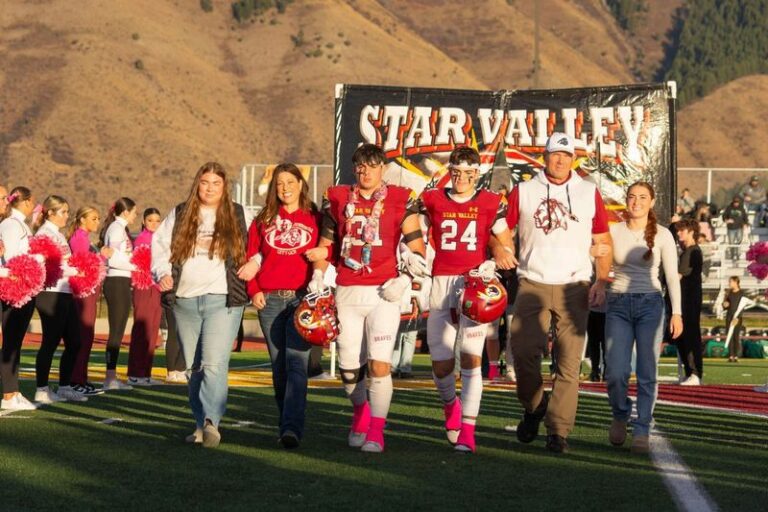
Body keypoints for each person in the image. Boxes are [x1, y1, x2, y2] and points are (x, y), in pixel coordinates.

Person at [311, 143, 427, 453]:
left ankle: (376, 431)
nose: (366, 172)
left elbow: (417, 248)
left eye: (372, 166)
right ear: (354, 168)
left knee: (379, 364)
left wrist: (405, 279)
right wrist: (318, 274)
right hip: (348, 289)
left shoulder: (401, 198)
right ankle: (360, 412)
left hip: (383, 292)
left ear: (383, 169)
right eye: (361, 166)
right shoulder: (337, 197)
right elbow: (326, 244)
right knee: (349, 368)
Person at [506, 132, 612, 454]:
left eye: (566, 155)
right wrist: (501, 250)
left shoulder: (588, 191)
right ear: (545, 155)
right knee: (523, 353)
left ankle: (558, 431)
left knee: (569, 363)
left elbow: (603, 238)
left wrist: (601, 281)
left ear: (573, 159)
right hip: (532, 282)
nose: (561, 160)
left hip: (574, 285)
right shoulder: (524, 190)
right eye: (555, 154)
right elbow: (502, 229)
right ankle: (535, 406)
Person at [418, 146, 516, 453]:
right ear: (450, 172)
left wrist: (496, 257)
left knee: (473, 357)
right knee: (441, 362)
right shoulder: (432, 198)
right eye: (456, 172)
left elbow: (506, 243)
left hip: (474, 282)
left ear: (477, 174)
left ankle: (469, 431)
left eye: (468, 173)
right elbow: (416, 237)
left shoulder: (490, 201)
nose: (461, 178)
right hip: (441, 282)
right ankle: (451, 404)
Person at [153, 162, 257, 448]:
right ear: (197, 184)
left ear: (224, 187)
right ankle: (200, 424)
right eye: (205, 182)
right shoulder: (180, 213)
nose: (210, 188)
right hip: (185, 299)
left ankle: (212, 422)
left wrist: (256, 263)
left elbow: (260, 244)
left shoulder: (239, 213)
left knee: (213, 362)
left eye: (216, 183)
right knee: (194, 366)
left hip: (223, 299)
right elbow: (159, 247)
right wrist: (162, 273)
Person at [246, 163, 322, 449]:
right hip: (269, 300)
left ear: (301, 184)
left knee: (297, 364)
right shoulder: (263, 219)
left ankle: (291, 428)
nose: (285, 188)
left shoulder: (315, 217)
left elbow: (329, 251)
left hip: (302, 298)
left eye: (290, 182)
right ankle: (285, 422)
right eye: (279, 183)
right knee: (279, 368)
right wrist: (254, 290)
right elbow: (250, 256)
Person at [604, 182, 683, 454]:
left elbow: (671, 276)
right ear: (626, 200)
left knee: (647, 371)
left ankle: (642, 429)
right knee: (616, 372)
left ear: (651, 202)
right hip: (617, 304)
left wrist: (677, 312)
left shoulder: (663, 234)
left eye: (642, 197)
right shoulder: (613, 231)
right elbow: (599, 263)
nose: (636, 202)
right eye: (632, 197)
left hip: (651, 305)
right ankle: (620, 413)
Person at [32, 195, 89, 404]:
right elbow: (48, 267)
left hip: (65, 291)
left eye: (67, 211)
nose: (67, 216)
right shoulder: (44, 234)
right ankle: (41, 389)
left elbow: (65, 262)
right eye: (63, 212)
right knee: (51, 341)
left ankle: (64, 387)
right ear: (50, 212)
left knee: (75, 341)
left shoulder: (59, 235)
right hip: (50, 293)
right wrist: (76, 271)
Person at [0, 187, 39, 410]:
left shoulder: (20, 224)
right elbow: (12, 258)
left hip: (24, 287)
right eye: (32, 201)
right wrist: (36, 260)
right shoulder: (11, 225)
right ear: (25, 202)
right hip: (14, 289)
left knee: (15, 342)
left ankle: (13, 391)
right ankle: (8, 395)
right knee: (11, 342)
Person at [69, 206, 112, 395]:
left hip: (89, 291)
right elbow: (84, 267)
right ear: (82, 220)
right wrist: (102, 256)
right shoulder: (79, 238)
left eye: (98, 218)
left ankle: (81, 378)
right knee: (83, 336)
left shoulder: (85, 238)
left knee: (86, 337)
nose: (97, 222)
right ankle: (75, 380)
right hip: (83, 291)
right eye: (93, 218)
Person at [99, 197, 138, 390]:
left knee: (120, 330)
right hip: (116, 281)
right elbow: (112, 258)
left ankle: (111, 376)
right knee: (115, 331)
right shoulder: (116, 229)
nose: (136, 216)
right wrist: (136, 266)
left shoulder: (121, 229)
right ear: (125, 212)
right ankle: (109, 377)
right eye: (134, 212)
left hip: (122, 280)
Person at [127, 208, 163, 386]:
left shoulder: (160, 239)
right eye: (150, 220)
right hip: (144, 287)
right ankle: (135, 374)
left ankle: (146, 373)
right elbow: (140, 266)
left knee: (153, 330)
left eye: (157, 221)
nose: (154, 224)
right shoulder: (142, 239)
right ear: (143, 222)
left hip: (157, 288)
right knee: (142, 330)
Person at [676, 218, 704, 386]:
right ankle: (690, 372)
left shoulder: (692, 251)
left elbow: (678, 276)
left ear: (691, 232)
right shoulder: (687, 251)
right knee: (681, 336)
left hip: (689, 299)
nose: (679, 233)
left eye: (682, 230)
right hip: (685, 298)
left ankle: (695, 373)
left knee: (690, 335)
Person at [723, 276, 744, 363]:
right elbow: (726, 304)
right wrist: (725, 305)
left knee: (736, 336)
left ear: (736, 282)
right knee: (729, 336)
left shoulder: (742, 293)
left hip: (737, 318)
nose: (729, 283)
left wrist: (737, 317)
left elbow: (742, 306)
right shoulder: (729, 293)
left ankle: (736, 356)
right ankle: (731, 355)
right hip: (729, 317)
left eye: (731, 282)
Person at [721, 196, 748, 261]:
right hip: (731, 228)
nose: (736, 203)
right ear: (733, 202)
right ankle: (732, 255)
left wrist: (745, 224)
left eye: (737, 202)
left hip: (739, 227)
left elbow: (745, 217)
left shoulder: (742, 208)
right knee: (731, 243)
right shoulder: (729, 208)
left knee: (739, 241)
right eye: (735, 202)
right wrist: (727, 220)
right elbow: (724, 216)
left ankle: (738, 255)